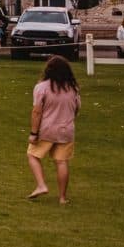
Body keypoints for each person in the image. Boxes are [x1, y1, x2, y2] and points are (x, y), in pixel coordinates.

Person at [28, 54, 80, 204]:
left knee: (32, 155)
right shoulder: (73, 88)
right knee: (61, 162)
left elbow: (37, 112)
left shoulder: (42, 88)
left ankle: (41, 185)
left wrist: (33, 133)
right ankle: (62, 198)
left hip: (47, 129)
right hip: (67, 129)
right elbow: (76, 108)